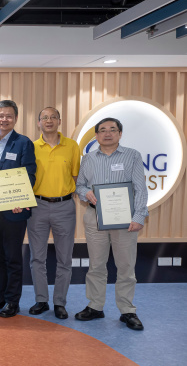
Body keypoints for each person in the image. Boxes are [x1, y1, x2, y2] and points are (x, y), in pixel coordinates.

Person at [74, 117, 148, 331]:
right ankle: (95, 306)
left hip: (125, 220)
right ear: (96, 135)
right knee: (96, 265)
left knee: (125, 266)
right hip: (95, 217)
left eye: (112, 130)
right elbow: (79, 185)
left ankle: (127, 310)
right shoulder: (88, 158)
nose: (107, 133)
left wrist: (138, 216)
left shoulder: (132, 155)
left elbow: (140, 188)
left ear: (120, 134)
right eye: (103, 130)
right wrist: (85, 192)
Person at [0, 100, 36, 318]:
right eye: (0, 115)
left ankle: (13, 301)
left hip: (14, 210)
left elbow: (29, 174)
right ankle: (1, 296)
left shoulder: (24, 143)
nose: (4, 119)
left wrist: (21, 199)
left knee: (12, 257)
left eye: (9, 116)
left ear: (15, 119)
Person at [27, 107, 80, 320]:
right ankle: (41, 300)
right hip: (37, 206)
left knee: (64, 259)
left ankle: (60, 302)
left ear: (59, 121)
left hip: (64, 207)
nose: (49, 121)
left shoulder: (72, 146)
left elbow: (76, 177)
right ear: (38, 122)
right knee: (37, 258)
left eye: (53, 117)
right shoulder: (31, 147)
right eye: (44, 118)